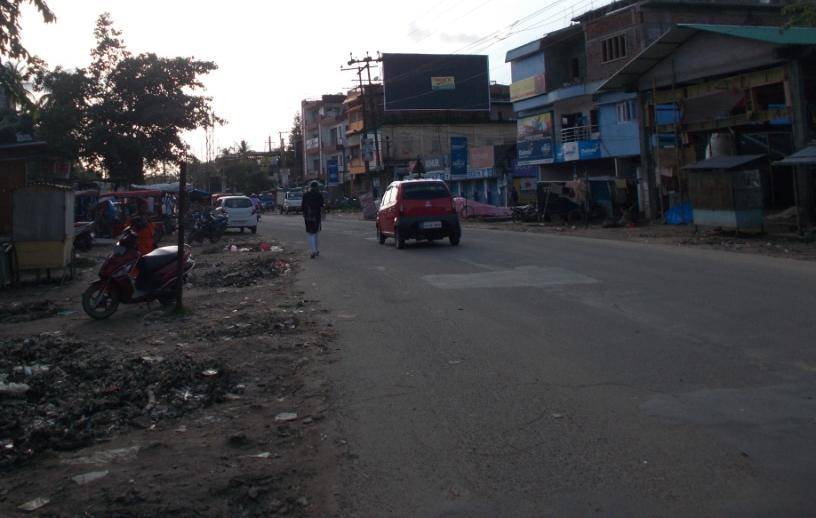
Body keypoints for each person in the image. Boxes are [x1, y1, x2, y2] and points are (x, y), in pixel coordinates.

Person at [301, 181, 324, 259]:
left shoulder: (305, 195)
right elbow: (322, 206)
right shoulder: (319, 195)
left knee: (310, 234)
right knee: (316, 234)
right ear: (317, 187)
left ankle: (313, 251)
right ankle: (315, 250)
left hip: (307, 217)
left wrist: (304, 214)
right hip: (316, 217)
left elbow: (302, 206)